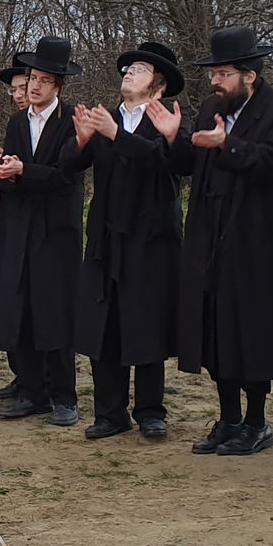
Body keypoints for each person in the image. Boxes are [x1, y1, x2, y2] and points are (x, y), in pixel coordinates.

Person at [158, 26, 273, 455]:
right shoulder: (210, 108)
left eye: (223, 74)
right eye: (213, 73)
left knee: (251, 330)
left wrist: (230, 144)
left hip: (256, 240)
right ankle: (227, 418)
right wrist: (173, 138)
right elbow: (191, 163)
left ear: (250, 75)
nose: (215, 82)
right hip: (211, 234)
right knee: (216, 328)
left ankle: (257, 421)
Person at [60, 41, 189, 440]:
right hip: (106, 237)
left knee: (145, 322)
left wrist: (116, 135)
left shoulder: (169, 120)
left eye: (140, 70)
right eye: (127, 69)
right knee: (106, 325)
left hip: (151, 239)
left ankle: (150, 410)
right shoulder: (106, 118)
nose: (128, 73)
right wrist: (81, 140)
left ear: (159, 86)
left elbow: (171, 163)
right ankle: (110, 412)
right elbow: (69, 167)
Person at [0, 36, 85, 427]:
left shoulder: (72, 121)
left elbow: (66, 175)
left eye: (43, 79)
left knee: (54, 312)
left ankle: (64, 397)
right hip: (19, 228)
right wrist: (1, 172)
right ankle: (30, 390)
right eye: (31, 77)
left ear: (58, 85)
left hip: (56, 231)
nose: (35, 85)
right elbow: (15, 174)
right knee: (19, 308)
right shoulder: (16, 122)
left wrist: (24, 171)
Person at [0, 54, 32, 399]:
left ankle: (42, 381)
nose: (19, 94)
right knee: (11, 301)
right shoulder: (16, 124)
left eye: (23, 87)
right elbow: (10, 182)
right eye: (14, 90)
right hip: (13, 222)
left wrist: (21, 170)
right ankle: (22, 375)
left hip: (43, 225)